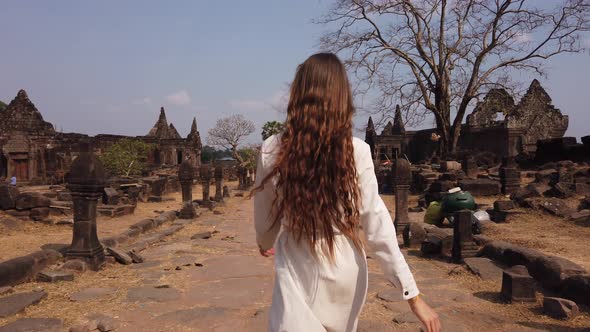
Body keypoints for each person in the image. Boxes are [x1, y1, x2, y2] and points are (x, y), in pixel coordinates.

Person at [252, 53, 441, 332]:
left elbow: (266, 214)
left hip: (296, 263)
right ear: (342, 97)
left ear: (298, 94)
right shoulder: (357, 151)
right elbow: (377, 225)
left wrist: (264, 240)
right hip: (343, 270)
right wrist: (412, 295)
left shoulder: (272, 148)